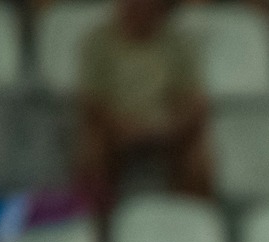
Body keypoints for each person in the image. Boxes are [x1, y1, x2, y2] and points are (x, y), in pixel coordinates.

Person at [74, 0, 212, 209]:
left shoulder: (180, 43)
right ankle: (96, 230)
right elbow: (91, 102)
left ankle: (189, 228)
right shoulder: (98, 41)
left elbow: (194, 103)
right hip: (115, 128)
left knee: (199, 161)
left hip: (167, 129)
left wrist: (166, 128)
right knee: (93, 151)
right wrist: (122, 127)